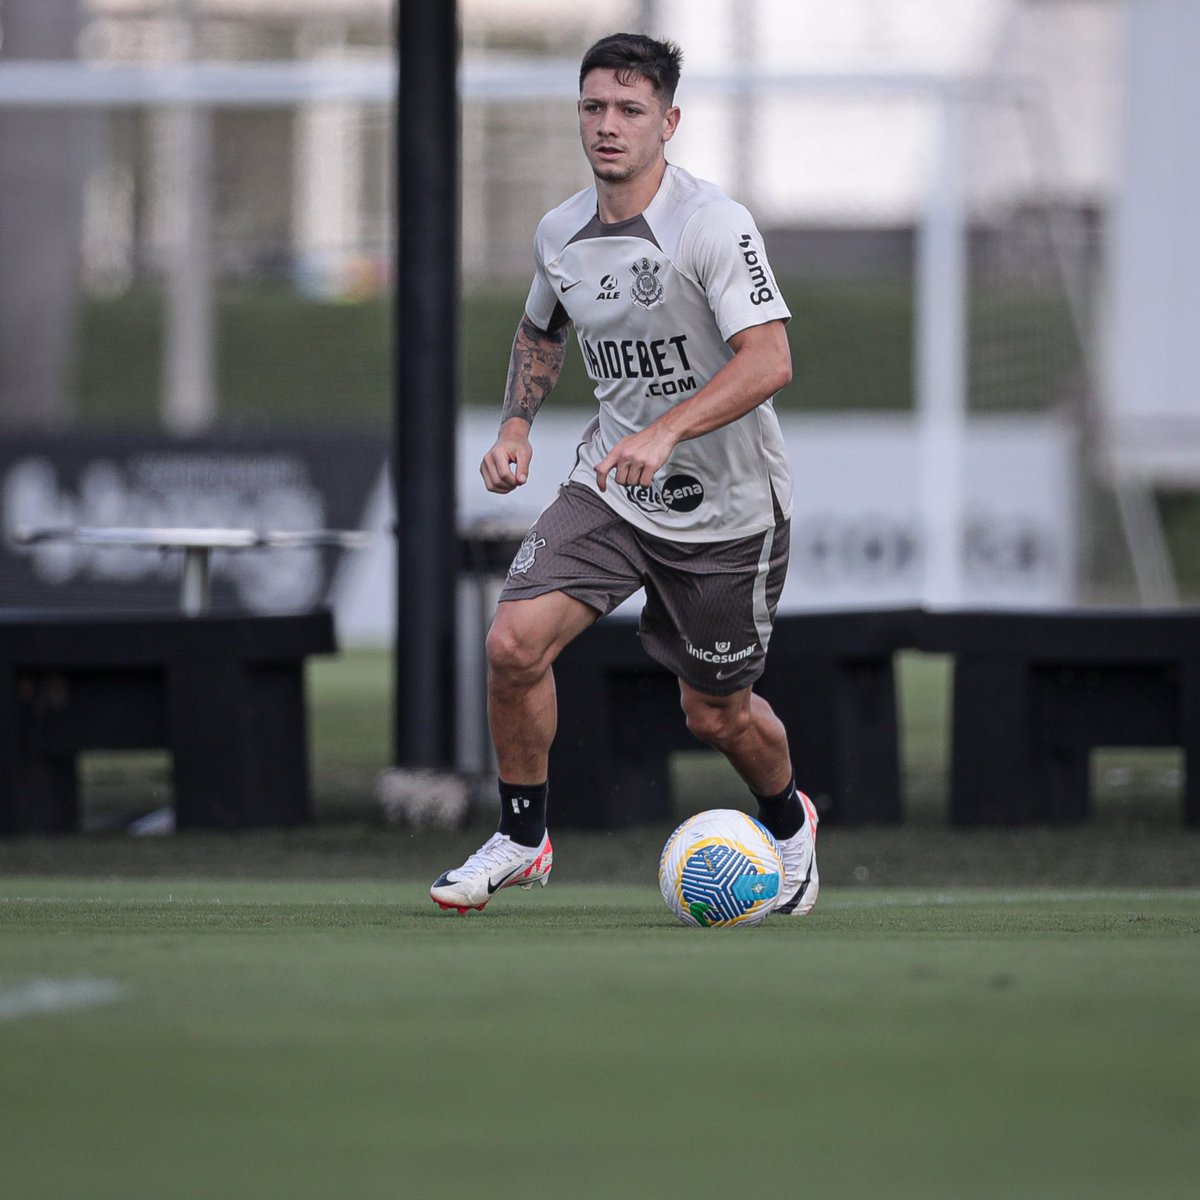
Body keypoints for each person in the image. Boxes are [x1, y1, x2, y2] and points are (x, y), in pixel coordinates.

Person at [431, 32, 818, 917]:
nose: (608, 126)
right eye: (594, 107)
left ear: (668, 122)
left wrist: (668, 431)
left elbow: (770, 361)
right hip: (610, 490)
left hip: (728, 511)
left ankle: (789, 823)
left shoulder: (713, 224)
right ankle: (522, 838)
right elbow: (541, 329)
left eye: (630, 110)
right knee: (510, 645)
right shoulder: (559, 232)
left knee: (714, 715)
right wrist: (516, 426)